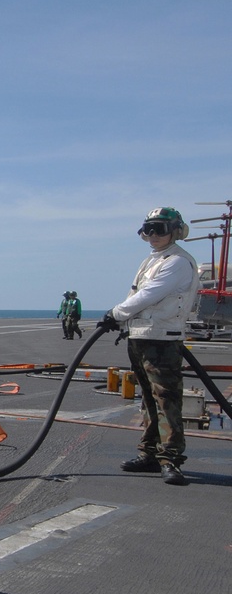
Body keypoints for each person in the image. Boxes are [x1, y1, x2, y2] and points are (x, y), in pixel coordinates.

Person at [98, 207, 199, 486]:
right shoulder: (152, 260)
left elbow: (149, 295)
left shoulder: (177, 262)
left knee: (167, 401)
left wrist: (116, 313)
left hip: (162, 341)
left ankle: (171, 460)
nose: (153, 235)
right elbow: (139, 295)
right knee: (148, 400)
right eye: (149, 229)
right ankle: (151, 454)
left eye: (160, 229)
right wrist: (122, 320)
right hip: (141, 337)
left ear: (175, 231)